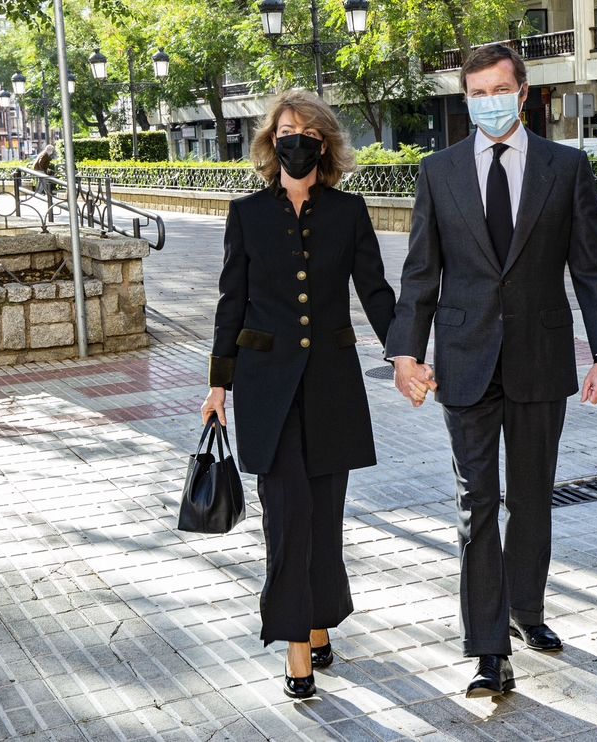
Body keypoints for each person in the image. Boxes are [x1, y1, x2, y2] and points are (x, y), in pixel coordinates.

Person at [385, 44, 597, 699]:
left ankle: (526, 609)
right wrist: (406, 352)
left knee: (533, 499)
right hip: (464, 364)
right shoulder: (438, 172)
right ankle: (489, 649)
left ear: (522, 93)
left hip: (541, 361)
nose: (487, 100)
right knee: (476, 505)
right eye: (475, 91)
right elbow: (419, 274)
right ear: (466, 98)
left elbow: (593, 271)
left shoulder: (566, 168)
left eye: (498, 88)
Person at [200, 89, 395, 700]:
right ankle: (294, 646)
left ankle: (318, 619)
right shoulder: (247, 214)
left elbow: (376, 292)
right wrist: (217, 383)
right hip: (267, 392)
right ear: (269, 140)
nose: (296, 139)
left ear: (325, 144)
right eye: (285, 129)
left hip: (332, 388)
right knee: (287, 520)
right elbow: (231, 302)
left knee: (325, 519)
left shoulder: (349, 211)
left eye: (308, 131)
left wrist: (407, 354)